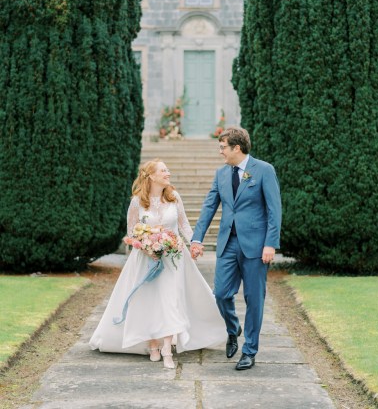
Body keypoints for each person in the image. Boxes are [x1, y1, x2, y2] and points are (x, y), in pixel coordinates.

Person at [89, 159, 226, 368]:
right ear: (151, 175)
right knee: (149, 301)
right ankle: (152, 345)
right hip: (145, 259)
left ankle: (167, 348)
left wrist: (195, 243)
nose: (168, 173)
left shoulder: (174, 197)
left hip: (173, 259)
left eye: (168, 170)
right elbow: (131, 232)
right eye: (163, 171)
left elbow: (184, 226)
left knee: (172, 301)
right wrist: (146, 246)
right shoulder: (137, 201)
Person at [190, 126, 282, 371]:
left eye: (223, 147)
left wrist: (270, 243)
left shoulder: (264, 170)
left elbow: (274, 210)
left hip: (256, 247)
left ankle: (249, 351)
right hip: (228, 244)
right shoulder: (221, 174)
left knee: (254, 300)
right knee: (220, 293)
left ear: (236, 148)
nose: (220, 152)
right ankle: (233, 329)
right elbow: (209, 207)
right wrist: (196, 239)